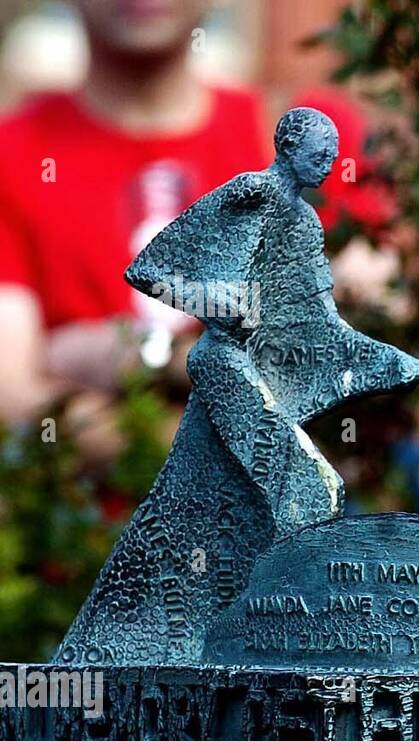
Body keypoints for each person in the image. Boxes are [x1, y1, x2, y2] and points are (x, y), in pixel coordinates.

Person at [0, 0, 268, 428]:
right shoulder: (11, 158)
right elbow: (12, 397)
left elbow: (333, 364)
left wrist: (147, 358)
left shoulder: (295, 142)